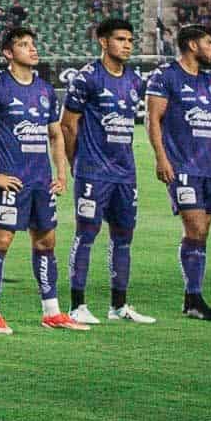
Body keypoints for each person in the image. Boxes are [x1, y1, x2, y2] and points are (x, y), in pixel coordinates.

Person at [0, 24, 67, 336]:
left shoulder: (46, 90)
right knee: (1, 242)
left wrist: (61, 174)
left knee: (46, 242)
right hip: (12, 183)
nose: (33, 49)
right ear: (8, 53)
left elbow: (55, 134)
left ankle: (52, 311)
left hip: (41, 183)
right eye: (24, 44)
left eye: (33, 43)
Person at [56, 17, 151, 323]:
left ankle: (118, 306)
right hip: (93, 172)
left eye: (130, 40)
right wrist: (76, 164)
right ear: (103, 41)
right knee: (86, 235)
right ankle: (77, 306)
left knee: (124, 237)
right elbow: (67, 126)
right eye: (120, 39)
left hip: (125, 173)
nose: (126, 45)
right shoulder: (87, 78)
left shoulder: (135, 80)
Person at [143, 22, 211, 321]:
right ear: (193, 45)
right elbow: (153, 118)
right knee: (194, 229)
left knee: (202, 233)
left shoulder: (210, 81)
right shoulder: (166, 76)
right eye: (209, 42)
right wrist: (161, 158)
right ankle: (194, 298)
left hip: (209, 168)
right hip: (182, 166)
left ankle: (191, 297)